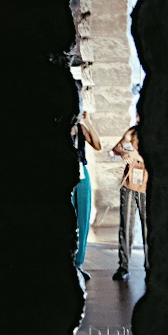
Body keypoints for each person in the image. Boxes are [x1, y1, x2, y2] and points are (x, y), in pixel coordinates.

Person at [111, 120, 148, 281]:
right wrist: (123, 153)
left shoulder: (156, 133)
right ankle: (124, 266)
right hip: (129, 185)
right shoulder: (132, 132)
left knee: (148, 229)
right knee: (126, 226)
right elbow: (117, 148)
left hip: (146, 187)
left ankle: (150, 267)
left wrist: (137, 155)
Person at [72, 112, 101, 274]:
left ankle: (78, 262)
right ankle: (67, 260)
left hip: (81, 171)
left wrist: (88, 121)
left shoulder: (80, 128)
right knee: (68, 217)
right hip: (66, 172)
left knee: (83, 217)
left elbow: (97, 145)